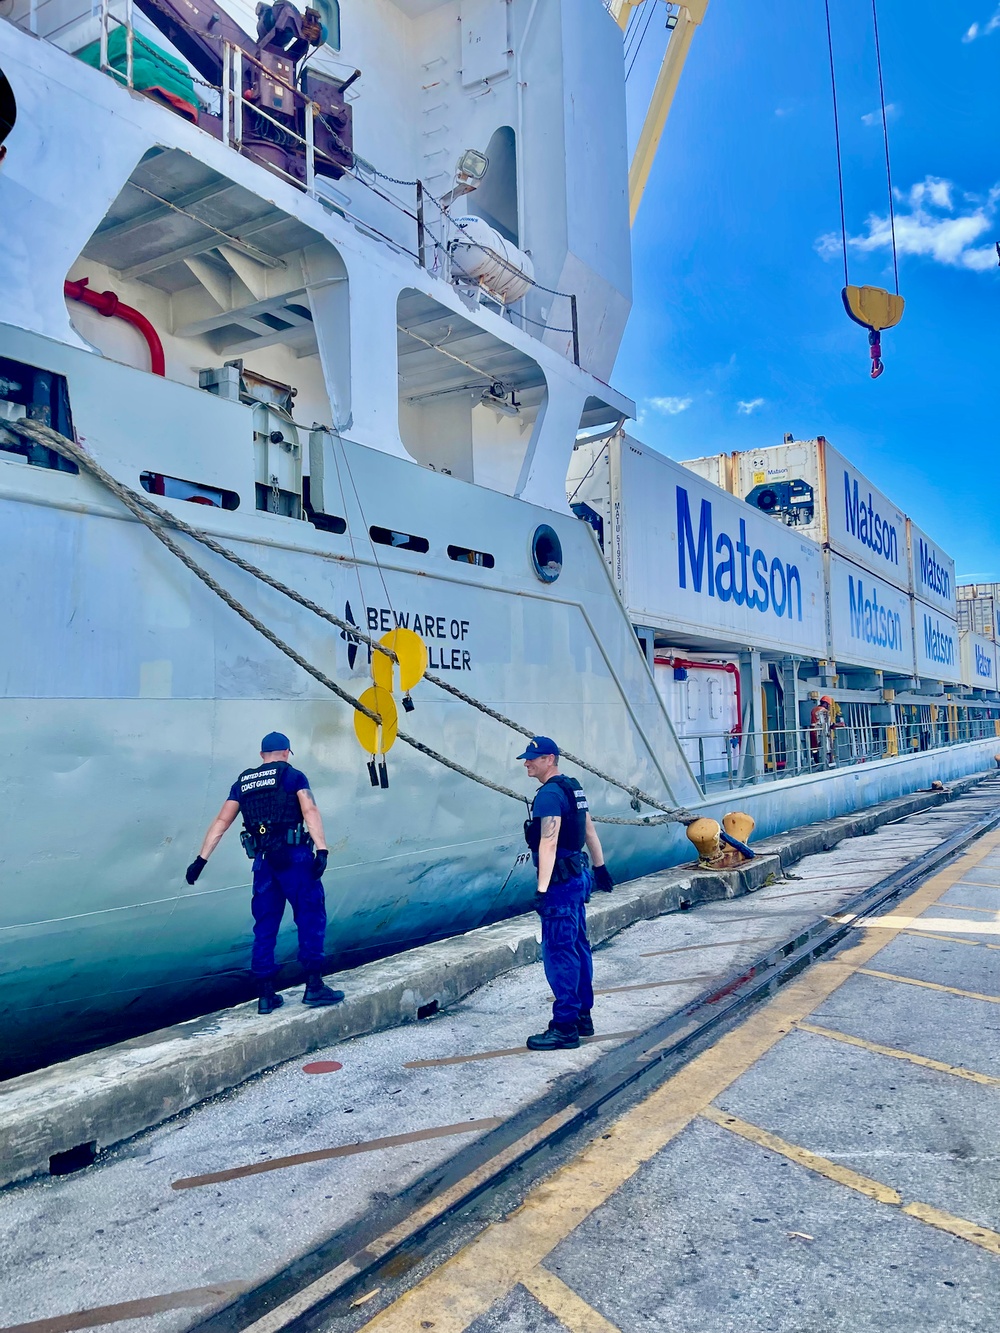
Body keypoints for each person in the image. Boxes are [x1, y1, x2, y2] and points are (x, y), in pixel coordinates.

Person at [185, 732, 344, 1014]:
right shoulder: (293, 776)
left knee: (265, 926)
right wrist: (322, 848)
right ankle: (314, 986)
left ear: (262, 755)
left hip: (264, 863)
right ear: (286, 752)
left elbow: (223, 821)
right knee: (310, 917)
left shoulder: (243, 782)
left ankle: (266, 995)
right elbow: (310, 810)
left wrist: (200, 860)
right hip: (294, 859)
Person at [518, 736, 614, 1051]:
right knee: (578, 946)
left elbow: (548, 842)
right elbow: (589, 831)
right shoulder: (574, 788)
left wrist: (542, 889)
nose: (527, 762)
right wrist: (600, 868)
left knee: (559, 954)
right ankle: (582, 1016)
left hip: (560, 884)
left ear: (550, 759)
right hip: (579, 876)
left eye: (533, 757)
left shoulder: (548, 796)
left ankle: (564, 1027)